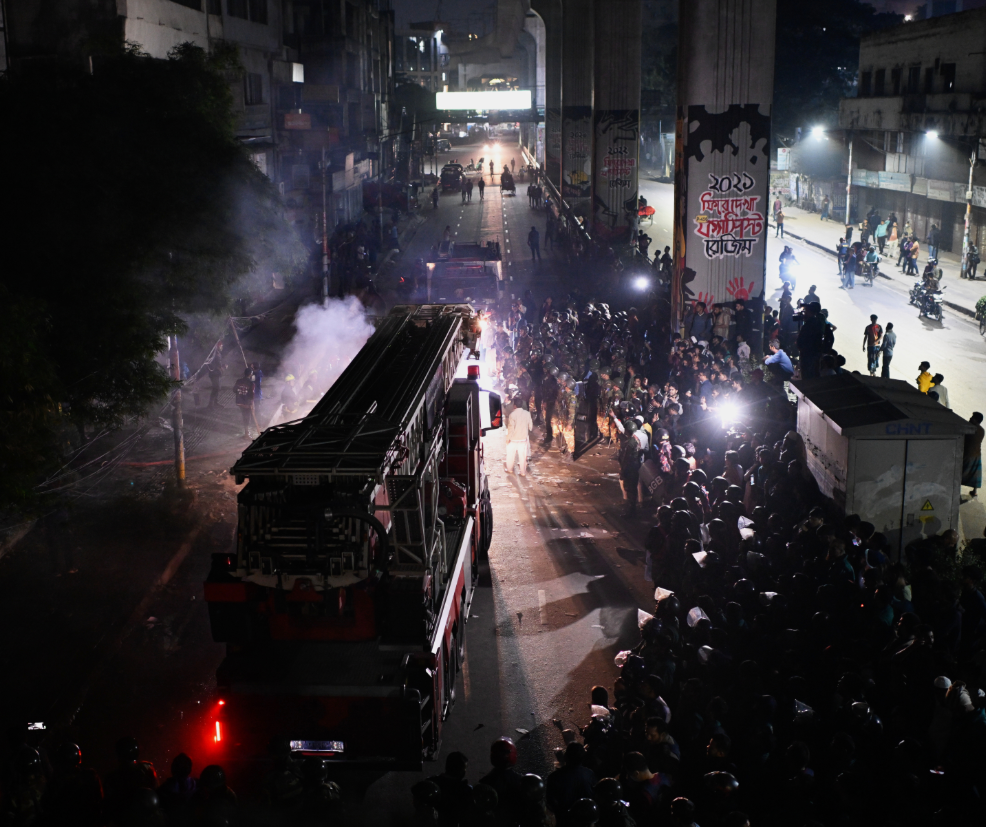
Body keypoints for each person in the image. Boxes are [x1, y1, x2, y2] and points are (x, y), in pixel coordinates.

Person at [505, 395, 534, 476]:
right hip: (523, 439)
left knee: (510, 455)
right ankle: (523, 472)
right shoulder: (527, 414)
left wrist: (508, 439)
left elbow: (511, 428)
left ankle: (510, 469)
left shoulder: (512, 415)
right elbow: (530, 427)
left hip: (513, 439)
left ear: (514, 406)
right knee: (522, 456)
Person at [962, 412, 985, 496]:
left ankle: (956, 487)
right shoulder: (982, 430)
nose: (971, 418)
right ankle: (974, 491)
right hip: (977, 454)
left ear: (977, 420)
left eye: (973, 417)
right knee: (975, 474)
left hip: (967, 454)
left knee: (961, 471)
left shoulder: (970, 429)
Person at [234, 367, 261, 438]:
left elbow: (234, 390)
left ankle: (246, 430)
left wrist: (240, 393)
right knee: (247, 417)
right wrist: (252, 405)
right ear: (250, 374)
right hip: (246, 404)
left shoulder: (238, 381)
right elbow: (251, 395)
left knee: (244, 416)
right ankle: (246, 433)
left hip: (239, 402)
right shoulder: (251, 384)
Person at [207, 341, 226, 408]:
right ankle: (211, 404)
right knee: (216, 388)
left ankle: (215, 402)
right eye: (221, 346)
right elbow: (219, 365)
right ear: (218, 346)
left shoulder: (215, 353)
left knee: (217, 388)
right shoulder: (217, 354)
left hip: (215, 373)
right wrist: (224, 367)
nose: (222, 347)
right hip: (215, 373)